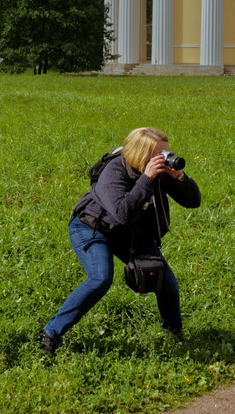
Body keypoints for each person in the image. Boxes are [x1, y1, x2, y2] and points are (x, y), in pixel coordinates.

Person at [39, 127, 201, 356]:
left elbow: (193, 202)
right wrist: (146, 179)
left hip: (131, 234)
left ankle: (174, 335)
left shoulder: (161, 172)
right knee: (100, 278)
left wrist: (179, 178)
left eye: (167, 153)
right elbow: (122, 212)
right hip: (93, 227)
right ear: (142, 155)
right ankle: (50, 333)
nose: (165, 159)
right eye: (160, 155)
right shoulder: (114, 171)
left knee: (166, 282)